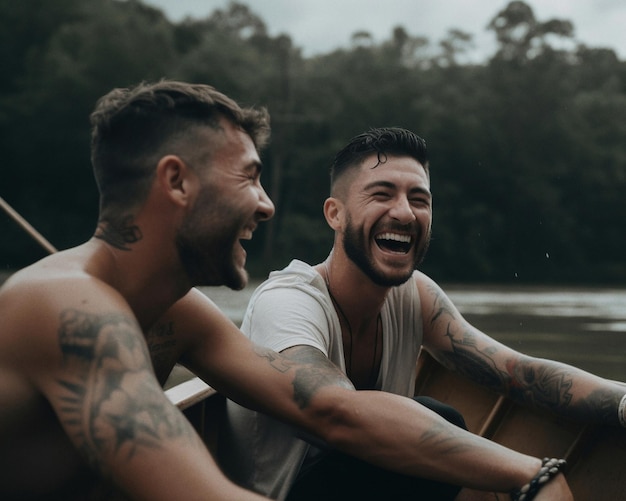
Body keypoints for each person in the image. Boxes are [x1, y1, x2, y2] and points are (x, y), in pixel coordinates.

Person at [0, 82, 574, 500]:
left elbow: (329, 408)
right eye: (249, 176)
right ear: (176, 181)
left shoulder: (181, 313)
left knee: (436, 417)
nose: (267, 204)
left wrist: (528, 472)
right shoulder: (69, 307)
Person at [219, 126, 626, 501]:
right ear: (335, 214)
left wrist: (621, 401)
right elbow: (334, 409)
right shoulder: (289, 301)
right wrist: (531, 474)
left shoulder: (413, 296)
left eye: (419, 199)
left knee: (435, 421)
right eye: (382, 194)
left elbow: (517, 373)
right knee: (437, 417)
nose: (406, 213)